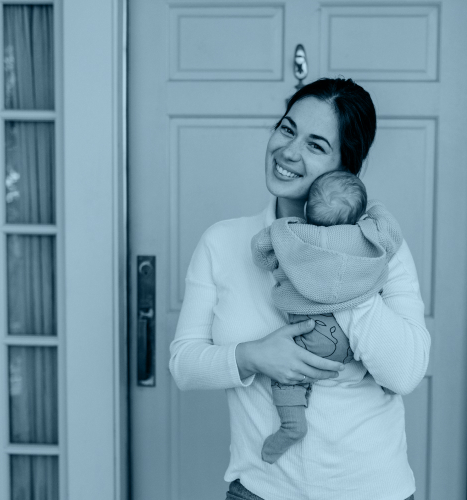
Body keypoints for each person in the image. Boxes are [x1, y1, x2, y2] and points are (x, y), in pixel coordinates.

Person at [169, 77, 428, 500]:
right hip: (259, 490)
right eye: (287, 129)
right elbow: (184, 364)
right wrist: (254, 356)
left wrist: (337, 265)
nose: (288, 151)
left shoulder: (380, 246)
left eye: (316, 144)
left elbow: (406, 371)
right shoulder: (225, 242)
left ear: (348, 166)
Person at [250, 170, 403, 464]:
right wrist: (373, 208)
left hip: (312, 336)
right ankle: (385, 378)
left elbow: (261, 253)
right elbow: (391, 232)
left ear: (307, 208)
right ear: (358, 215)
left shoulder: (293, 234)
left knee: (288, 378)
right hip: (354, 339)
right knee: (378, 347)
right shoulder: (366, 236)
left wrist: (282, 225)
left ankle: (293, 425)